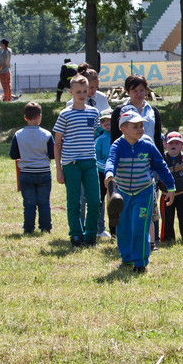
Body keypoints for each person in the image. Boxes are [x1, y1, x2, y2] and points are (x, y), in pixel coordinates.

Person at [105, 111, 175, 273]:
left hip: (144, 193)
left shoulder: (147, 145)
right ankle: (126, 258)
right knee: (123, 228)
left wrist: (170, 187)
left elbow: (161, 166)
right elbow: (111, 160)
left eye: (141, 126)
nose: (140, 129)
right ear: (123, 129)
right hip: (122, 194)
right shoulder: (117, 145)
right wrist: (109, 174)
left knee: (139, 227)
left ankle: (140, 262)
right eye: (135, 126)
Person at [110, 74, 165, 249]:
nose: (139, 94)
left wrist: (161, 165)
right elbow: (114, 139)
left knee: (150, 202)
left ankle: (150, 241)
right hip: (127, 164)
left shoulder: (153, 111)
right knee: (127, 204)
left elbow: (157, 140)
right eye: (135, 90)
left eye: (142, 90)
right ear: (127, 92)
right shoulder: (120, 110)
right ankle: (127, 240)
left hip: (149, 163)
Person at [54, 74, 101, 249]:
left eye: (84, 91)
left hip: (90, 162)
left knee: (95, 201)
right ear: (71, 92)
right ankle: (75, 235)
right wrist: (59, 169)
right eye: (78, 91)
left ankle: (90, 236)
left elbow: (93, 135)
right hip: (71, 163)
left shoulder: (94, 112)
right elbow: (57, 143)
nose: (82, 95)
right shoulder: (65, 114)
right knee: (74, 201)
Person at [9, 102, 54, 234]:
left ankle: (28, 228)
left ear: (25, 117)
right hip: (44, 172)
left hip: (26, 173)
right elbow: (51, 154)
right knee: (44, 202)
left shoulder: (18, 134)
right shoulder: (46, 134)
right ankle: (46, 228)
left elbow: (13, 155)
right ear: (40, 116)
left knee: (29, 203)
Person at [160, 132, 183, 242]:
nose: (174, 145)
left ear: (182, 146)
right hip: (166, 195)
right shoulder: (162, 159)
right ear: (165, 145)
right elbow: (158, 175)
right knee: (167, 218)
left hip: (182, 194)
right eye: (171, 143)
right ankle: (167, 238)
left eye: (177, 143)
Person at [94, 109, 113, 238]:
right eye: (103, 121)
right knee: (100, 201)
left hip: (116, 175)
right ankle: (99, 229)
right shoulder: (100, 140)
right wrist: (107, 168)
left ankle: (116, 229)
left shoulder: (119, 138)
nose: (107, 123)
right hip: (101, 174)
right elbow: (97, 158)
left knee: (115, 201)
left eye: (109, 120)